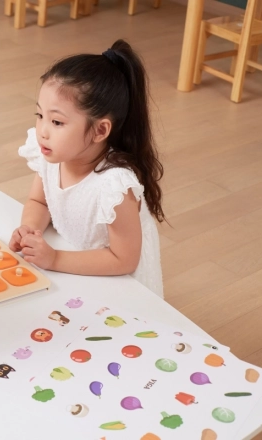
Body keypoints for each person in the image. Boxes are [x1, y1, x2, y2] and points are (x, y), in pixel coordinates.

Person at [9, 39, 164, 297]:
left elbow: (123, 260)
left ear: (100, 130)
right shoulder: (52, 156)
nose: (42, 131)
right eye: (40, 116)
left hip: (121, 285)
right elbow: (39, 201)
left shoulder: (114, 187)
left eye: (57, 121)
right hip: (78, 268)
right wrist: (30, 230)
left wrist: (54, 259)